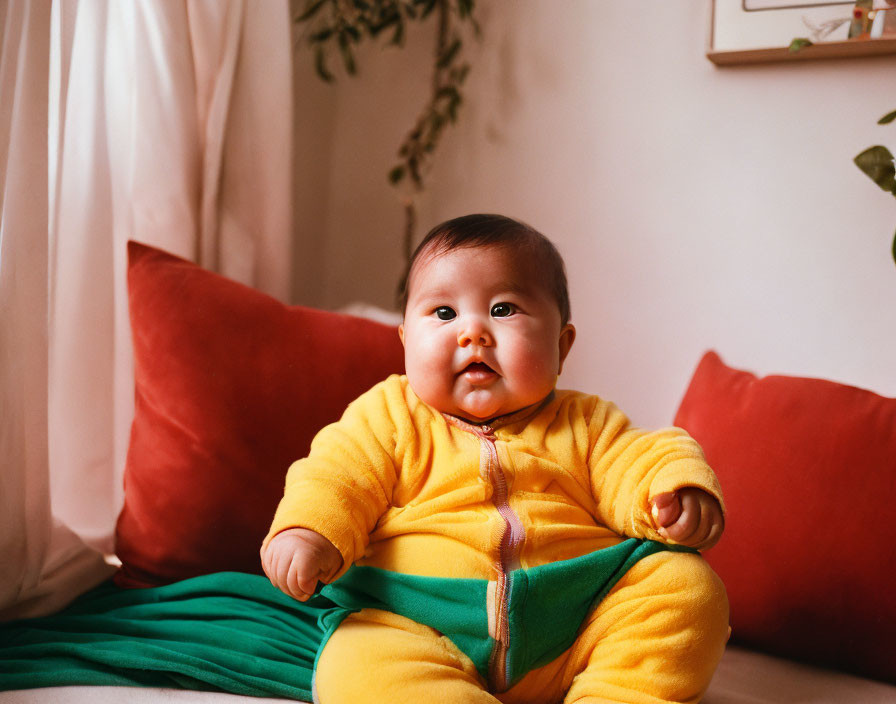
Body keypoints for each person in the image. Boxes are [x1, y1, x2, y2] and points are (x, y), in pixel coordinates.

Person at [260, 214, 729, 703]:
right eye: (444, 314)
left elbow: (641, 456)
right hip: (418, 624)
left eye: (504, 308)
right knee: (356, 664)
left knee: (686, 588)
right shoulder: (389, 415)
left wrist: (673, 490)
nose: (473, 333)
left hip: (570, 633)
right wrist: (308, 530)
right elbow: (337, 476)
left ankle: (614, 693)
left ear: (561, 346)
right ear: (404, 343)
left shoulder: (585, 423)